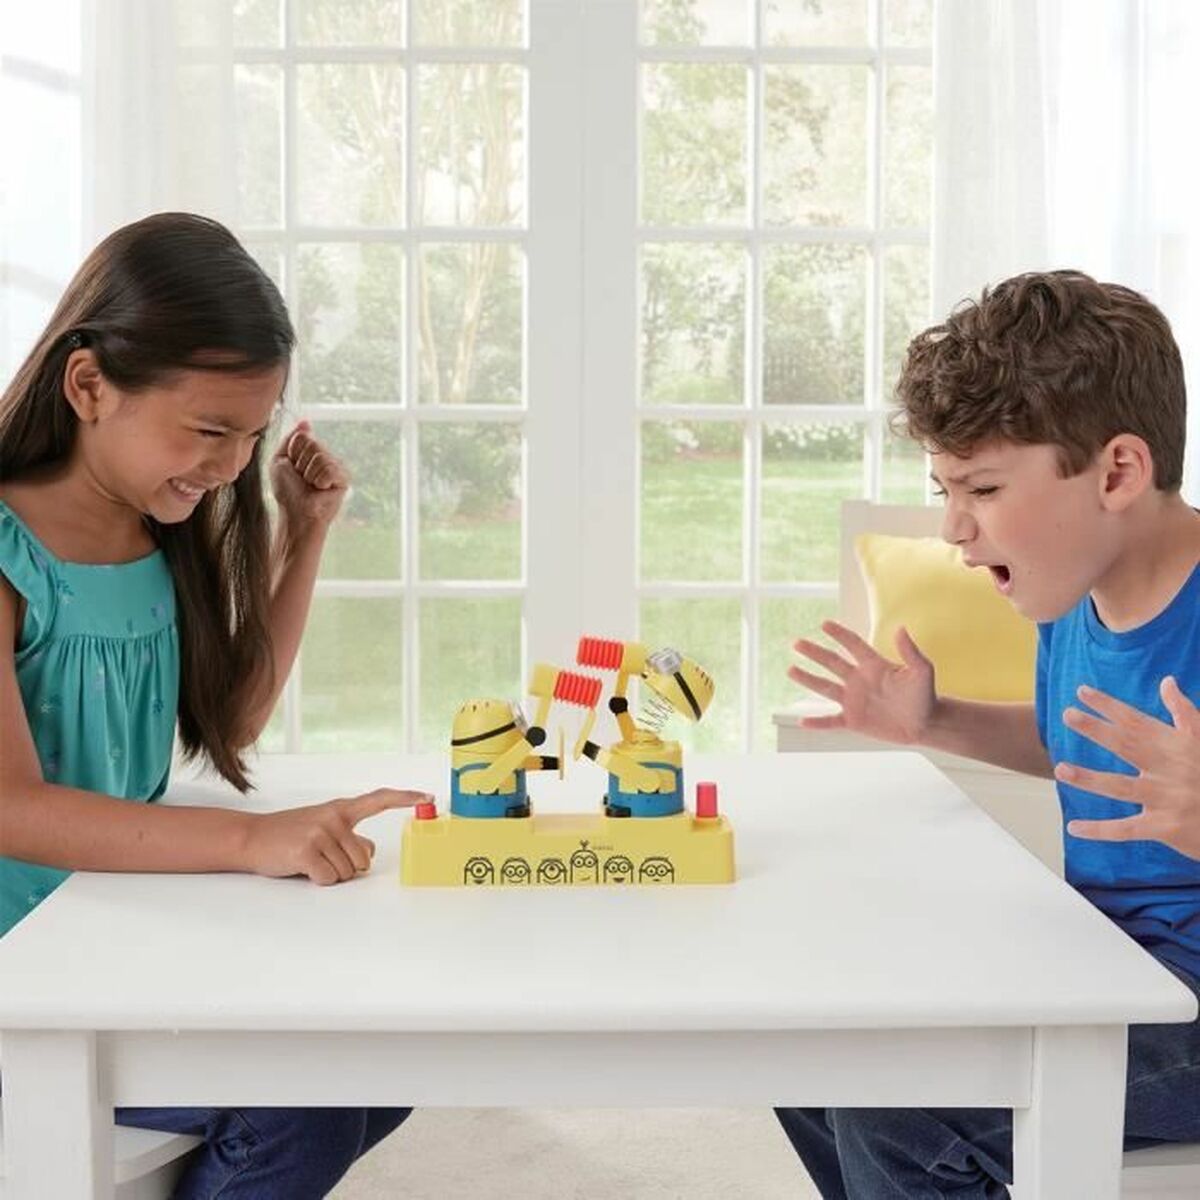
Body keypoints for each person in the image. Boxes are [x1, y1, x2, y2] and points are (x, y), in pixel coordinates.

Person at [0, 212, 428, 1198]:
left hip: (112, 930)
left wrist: (302, 534)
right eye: (209, 431)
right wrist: (249, 840)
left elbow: (225, 724)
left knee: (396, 1052)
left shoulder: (153, 530)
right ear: (88, 386)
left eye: (252, 434)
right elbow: (11, 809)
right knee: (303, 1097)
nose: (232, 464)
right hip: (23, 974)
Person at [777, 270, 1200, 1197]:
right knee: (806, 1040)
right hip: (1105, 956)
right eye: (944, 488)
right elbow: (1077, 750)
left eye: (983, 487)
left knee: (899, 1109)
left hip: (1185, 1006)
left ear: (1118, 473)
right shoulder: (1076, 593)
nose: (954, 527)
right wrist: (936, 722)